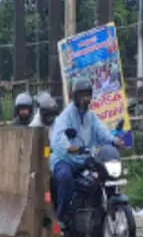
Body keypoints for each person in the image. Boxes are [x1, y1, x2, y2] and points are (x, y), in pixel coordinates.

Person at [50, 76, 130, 222]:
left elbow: (102, 132)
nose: (85, 99)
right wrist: (68, 147)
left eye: (87, 95)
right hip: (65, 159)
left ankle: (98, 214)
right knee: (65, 177)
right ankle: (61, 218)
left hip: (85, 158)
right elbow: (58, 136)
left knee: (100, 176)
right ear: (75, 96)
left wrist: (114, 141)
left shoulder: (91, 117)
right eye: (82, 95)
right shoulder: (66, 116)